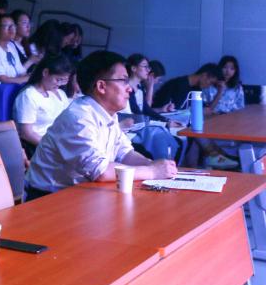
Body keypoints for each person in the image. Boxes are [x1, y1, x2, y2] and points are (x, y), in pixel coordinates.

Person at [24, 51, 179, 199]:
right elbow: (101, 171)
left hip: (82, 194)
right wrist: (152, 172)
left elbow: (125, 154)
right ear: (101, 86)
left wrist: (154, 164)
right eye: (123, 80)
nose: (130, 88)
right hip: (48, 199)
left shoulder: (107, 114)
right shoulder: (78, 118)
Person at [14, 54, 73, 158]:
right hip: (39, 147)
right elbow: (26, 134)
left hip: (58, 143)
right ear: (45, 72)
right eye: (58, 79)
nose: (59, 84)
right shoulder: (29, 95)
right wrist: (54, 148)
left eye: (63, 80)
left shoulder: (59, 93)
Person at [152, 63, 223, 111]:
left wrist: (219, 92)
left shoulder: (197, 89)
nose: (209, 86)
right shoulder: (178, 85)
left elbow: (206, 110)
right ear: (204, 75)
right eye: (211, 83)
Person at [0, 13, 30, 84]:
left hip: (16, 85)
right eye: (7, 26)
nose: (12, 29)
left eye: (13, 26)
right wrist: (24, 79)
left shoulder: (11, 45)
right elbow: (2, 78)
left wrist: (29, 76)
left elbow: (21, 72)